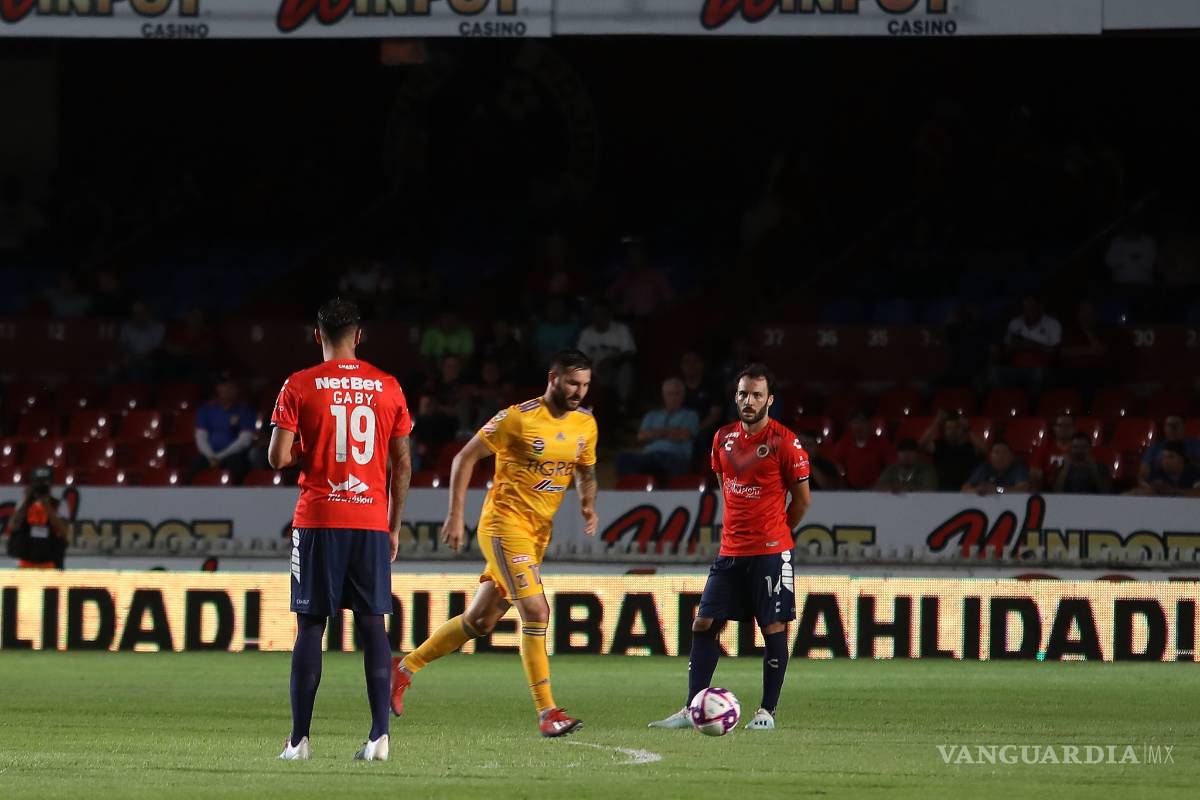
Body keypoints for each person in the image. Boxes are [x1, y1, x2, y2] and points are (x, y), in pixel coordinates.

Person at [390, 350, 599, 738]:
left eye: (585, 385)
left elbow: (586, 468)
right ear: (552, 378)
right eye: (573, 383)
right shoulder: (517, 418)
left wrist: (588, 503)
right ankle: (547, 712)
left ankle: (402, 670)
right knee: (536, 612)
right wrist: (456, 516)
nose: (579, 392)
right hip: (504, 525)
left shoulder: (585, 424)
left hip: (537, 534)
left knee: (480, 621)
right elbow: (463, 459)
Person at [269, 298, 413, 762]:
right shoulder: (387, 386)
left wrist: (305, 453)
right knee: (373, 625)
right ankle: (379, 737)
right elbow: (403, 464)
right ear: (360, 335)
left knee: (311, 626)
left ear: (317, 335)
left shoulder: (299, 385)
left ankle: (299, 742)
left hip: (319, 519)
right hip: (370, 521)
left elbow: (277, 457)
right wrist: (392, 527)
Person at [649, 364, 811, 732]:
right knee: (704, 623)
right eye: (742, 394)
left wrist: (776, 533)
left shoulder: (785, 442)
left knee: (772, 628)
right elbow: (725, 485)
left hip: (770, 550)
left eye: (756, 394)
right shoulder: (722, 438)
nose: (748, 401)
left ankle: (767, 712)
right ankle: (693, 708)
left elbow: (802, 501)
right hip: (730, 550)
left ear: (770, 399)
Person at [616, 377, 700, 482]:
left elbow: (684, 435)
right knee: (623, 459)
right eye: (669, 394)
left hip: (675, 458)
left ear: (683, 395)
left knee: (663, 465)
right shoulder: (652, 415)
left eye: (676, 394)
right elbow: (642, 436)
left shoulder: (690, 415)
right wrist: (669, 431)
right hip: (650, 456)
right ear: (664, 396)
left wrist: (655, 433)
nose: (673, 398)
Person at [190, 372, 256, 483]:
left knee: (237, 465)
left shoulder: (244, 411)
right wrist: (211, 456)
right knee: (194, 465)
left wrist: (220, 457)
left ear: (236, 388)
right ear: (217, 388)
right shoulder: (206, 409)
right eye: (223, 385)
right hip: (209, 454)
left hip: (233, 455)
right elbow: (201, 436)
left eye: (230, 385)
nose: (227, 389)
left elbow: (244, 440)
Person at [576, 301, 636, 413]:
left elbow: (629, 353)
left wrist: (610, 362)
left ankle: (623, 406)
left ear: (609, 314)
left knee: (627, 369)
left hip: (617, 369)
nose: (598, 317)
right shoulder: (587, 333)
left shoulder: (621, 329)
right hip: (594, 371)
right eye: (595, 314)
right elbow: (580, 357)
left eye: (602, 313)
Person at [3, 467, 68, 569]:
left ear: (51, 484)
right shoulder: (24, 503)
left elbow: (64, 532)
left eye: (44, 482)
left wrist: (47, 505)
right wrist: (25, 499)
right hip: (26, 560)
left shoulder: (59, 504)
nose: (41, 486)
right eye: (37, 482)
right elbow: (12, 526)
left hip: (51, 562)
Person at [919, 411, 989, 491]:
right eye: (949, 428)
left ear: (962, 430)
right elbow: (922, 444)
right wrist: (936, 423)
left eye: (956, 427)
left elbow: (984, 450)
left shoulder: (970, 447)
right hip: (942, 491)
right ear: (944, 431)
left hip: (966, 491)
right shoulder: (939, 446)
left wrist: (968, 429)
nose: (953, 431)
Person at [829, 412, 895, 490]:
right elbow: (836, 465)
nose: (858, 426)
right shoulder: (844, 444)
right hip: (850, 490)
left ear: (870, 424)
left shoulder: (882, 443)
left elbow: (891, 465)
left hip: (876, 489)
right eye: (855, 423)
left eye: (862, 422)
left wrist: (882, 482)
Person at [1128, 441, 1200, 498]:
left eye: (1170, 457)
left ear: (1181, 459)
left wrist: (1172, 492)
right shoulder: (1157, 474)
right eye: (1163, 457)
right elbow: (1143, 490)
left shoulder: (1194, 473)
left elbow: (1197, 493)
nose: (1165, 460)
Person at [1139, 415, 1200, 482]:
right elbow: (1144, 471)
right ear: (1164, 428)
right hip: (1160, 486)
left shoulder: (1196, 445)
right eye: (1169, 425)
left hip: (1190, 485)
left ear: (1184, 426)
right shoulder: (1155, 447)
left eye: (1176, 425)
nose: (1173, 428)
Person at [962, 441, 1030, 495]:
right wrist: (977, 491)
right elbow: (965, 488)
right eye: (996, 452)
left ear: (1012, 456)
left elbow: (1023, 489)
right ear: (990, 456)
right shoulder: (984, 468)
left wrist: (997, 490)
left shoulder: (1018, 468)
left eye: (1004, 452)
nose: (1000, 456)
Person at [1029, 414, 1076, 491]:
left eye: (1068, 425)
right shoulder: (1043, 449)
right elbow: (1035, 473)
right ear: (1054, 428)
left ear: (1074, 428)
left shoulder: (1081, 449)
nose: (1064, 429)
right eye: (1060, 425)